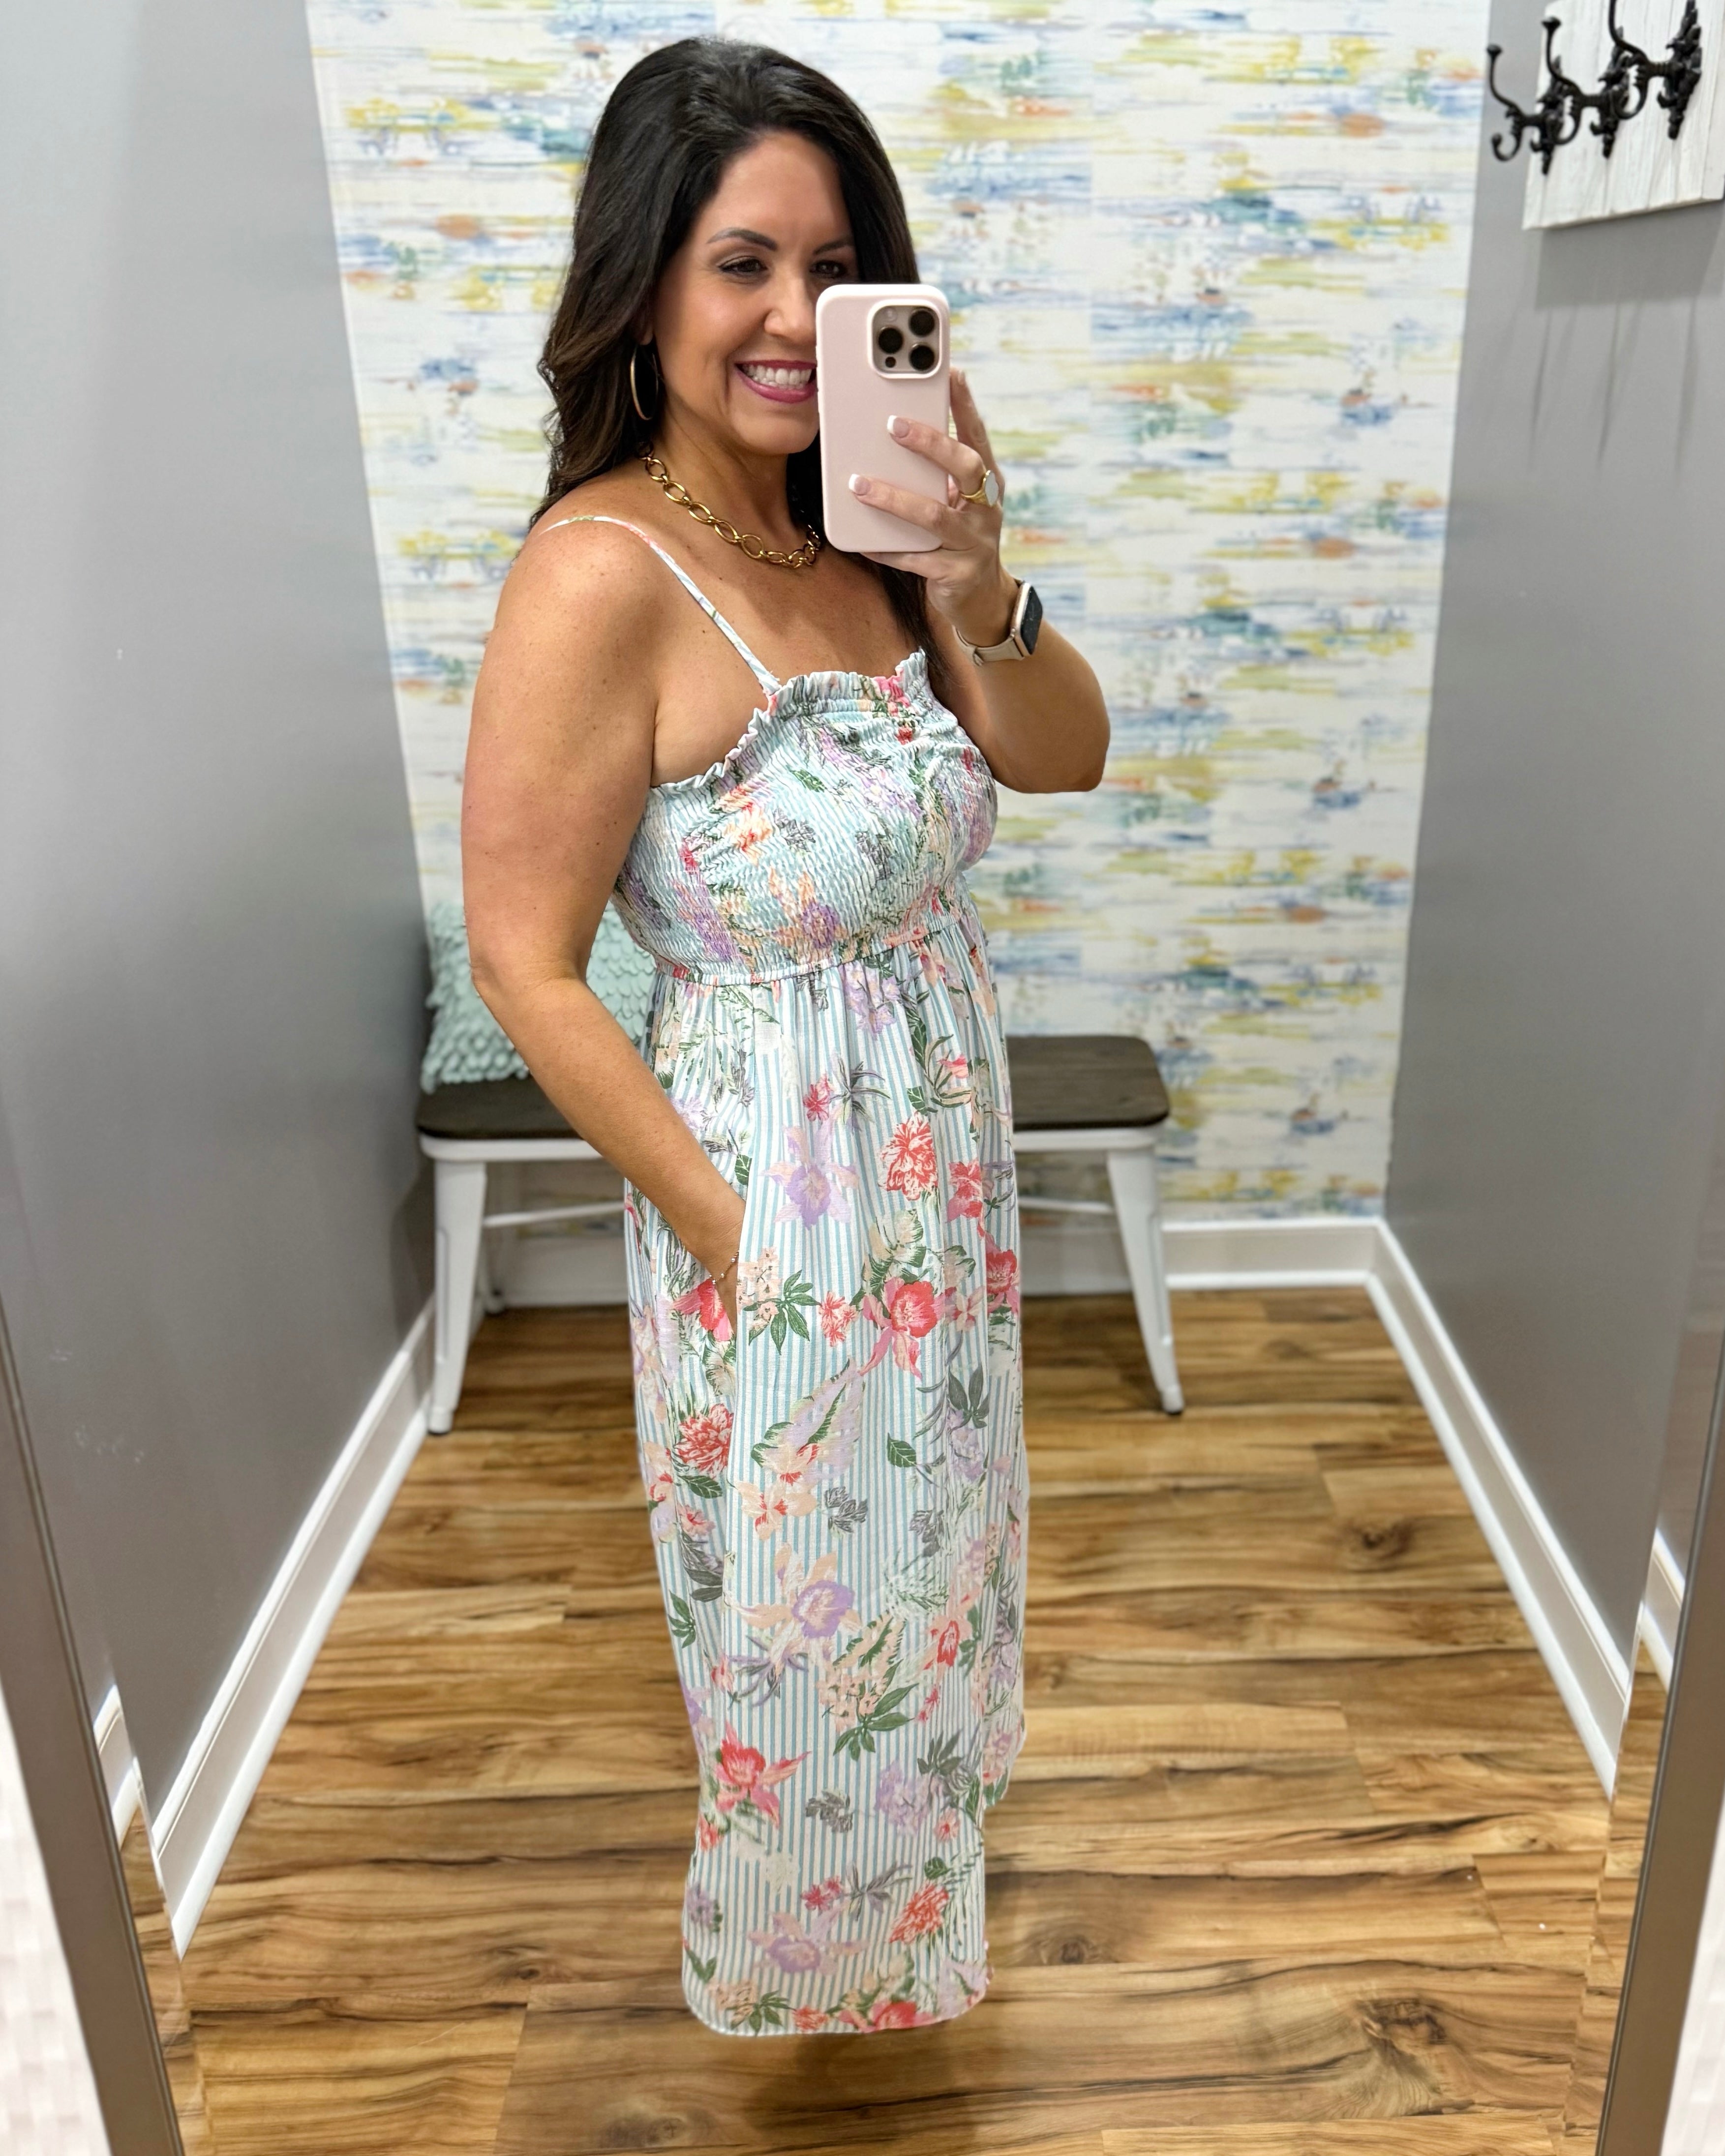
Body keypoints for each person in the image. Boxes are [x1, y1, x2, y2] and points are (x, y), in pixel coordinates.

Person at [462, 36, 1109, 2037]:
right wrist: (743, 1237)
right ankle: (821, 1969)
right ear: (645, 276)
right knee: (813, 1607)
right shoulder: (599, 574)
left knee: (925, 1553)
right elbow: (526, 966)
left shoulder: (871, 527)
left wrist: (974, 574)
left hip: (936, 1143)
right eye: (743, 261)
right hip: (786, 1178)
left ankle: (919, 1882)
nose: (792, 317)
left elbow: (1062, 754)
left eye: (836, 271)